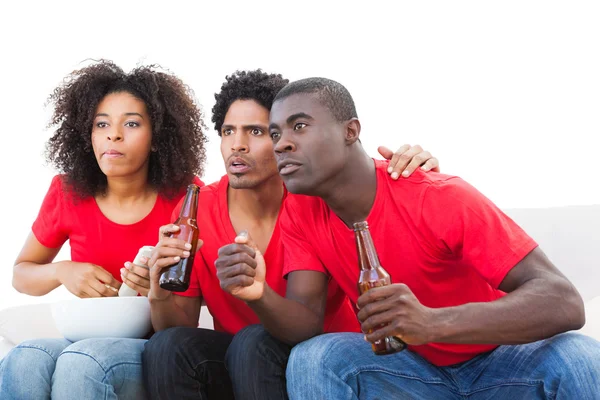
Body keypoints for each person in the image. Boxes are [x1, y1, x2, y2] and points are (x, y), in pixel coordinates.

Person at [218, 77, 600, 399]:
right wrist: (260, 294)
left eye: (299, 127)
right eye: (275, 132)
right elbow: (304, 323)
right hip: (410, 371)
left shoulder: (437, 195)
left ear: (351, 131)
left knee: (578, 357)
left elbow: (563, 300)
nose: (282, 142)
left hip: (504, 362)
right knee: (315, 357)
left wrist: (432, 324)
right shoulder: (301, 212)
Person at [143, 69, 440, 399]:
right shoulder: (197, 210)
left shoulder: (316, 197)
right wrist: (158, 293)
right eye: (228, 131)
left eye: (255, 131)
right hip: (239, 354)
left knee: (254, 342)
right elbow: (176, 328)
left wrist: (410, 168)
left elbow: (366, 181)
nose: (237, 145)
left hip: (318, 352)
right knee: (168, 345)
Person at [0, 60, 207, 400]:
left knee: (83, 362)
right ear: (89, 135)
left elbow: (196, 300)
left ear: (157, 138)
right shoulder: (66, 193)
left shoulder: (188, 199)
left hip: (154, 345)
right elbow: (20, 275)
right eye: (101, 124)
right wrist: (62, 271)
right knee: (24, 358)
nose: (114, 134)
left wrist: (158, 285)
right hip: (86, 336)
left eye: (132, 123)